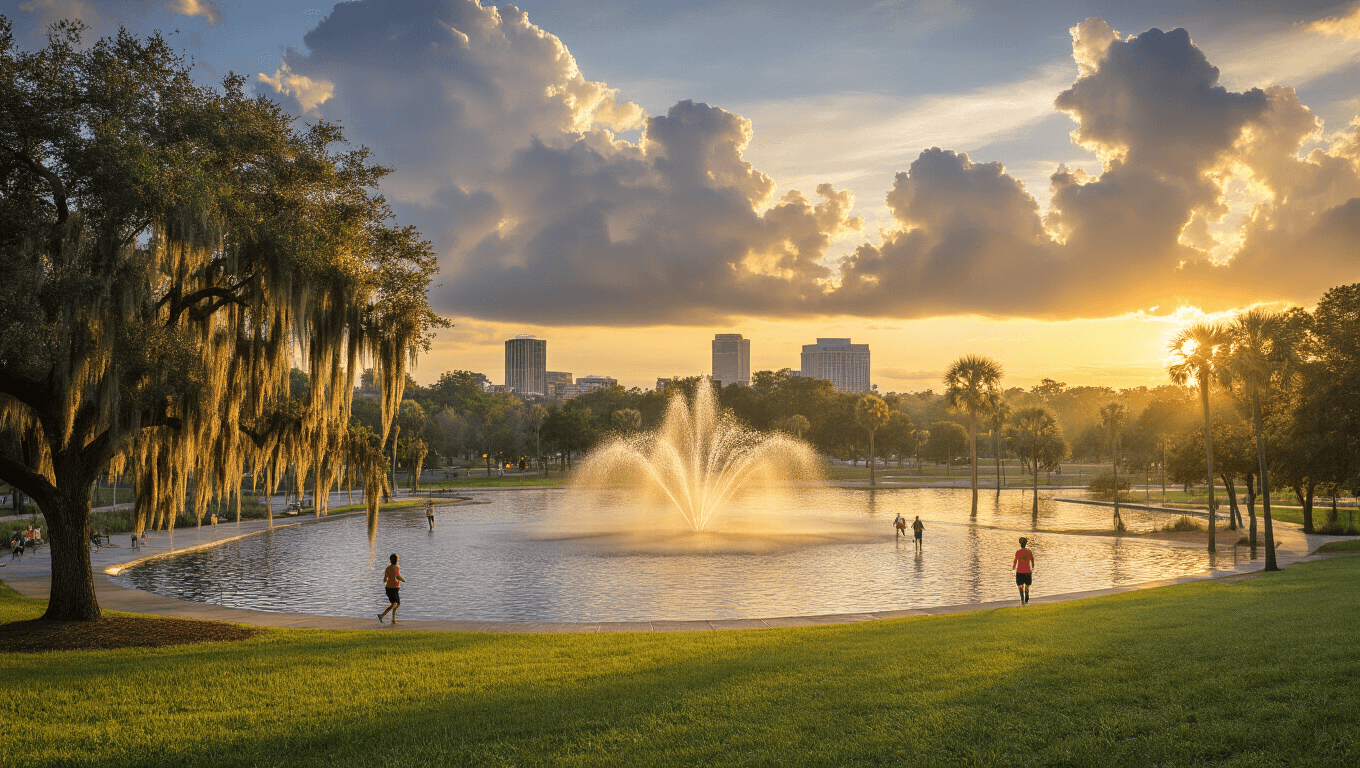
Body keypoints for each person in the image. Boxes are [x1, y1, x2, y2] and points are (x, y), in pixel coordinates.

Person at [379, 553, 405, 624]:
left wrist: (387, 578)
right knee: (395, 604)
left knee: (395, 604)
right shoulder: (397, 568)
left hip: (388, 589)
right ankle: (382, 615)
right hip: (393, 589)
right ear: (397, 560)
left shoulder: (387, 568)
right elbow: (397, 576)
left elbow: (385, 580)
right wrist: (403, 580)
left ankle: (393, 619)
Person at [1012, 536, 1035, 605]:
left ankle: (1022, 601)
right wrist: (1032, 568)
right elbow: (1032, 560)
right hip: (1028, 571)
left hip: (1019, 572)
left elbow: (1015, 562)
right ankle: (1027, 594)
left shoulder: (1018, 552)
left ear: (1020, 544)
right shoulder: (1029, 552)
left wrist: (1013, 569)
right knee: (1027, 585)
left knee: (1020, 587)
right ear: (1026, 543)